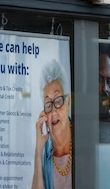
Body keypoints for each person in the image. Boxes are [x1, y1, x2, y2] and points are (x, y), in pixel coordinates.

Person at [31, 59, 72, 189]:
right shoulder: (45, 153)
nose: (53, 111)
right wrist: (38, 150)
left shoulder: (83, 139)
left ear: (68, 102)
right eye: (48, 104)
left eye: (58, 100)